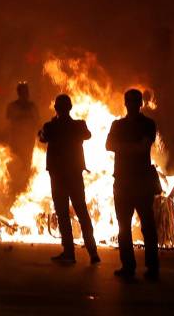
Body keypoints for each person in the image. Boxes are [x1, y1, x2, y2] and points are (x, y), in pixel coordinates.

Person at [38, 94, 100, 264]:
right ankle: (93, 252)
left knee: (63, 214)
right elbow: (87, 135)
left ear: (56, 108)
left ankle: (69, 252)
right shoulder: (78, 125)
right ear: (70, 108)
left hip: (58, 176)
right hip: (74, 174)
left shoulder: (51, 126)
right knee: (82, 212)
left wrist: (52, 124)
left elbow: (42, 137)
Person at [107, 88, 160, 279]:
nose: (131, 105)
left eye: (133, 101)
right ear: (125, 103)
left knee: (147, 225)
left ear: (140, 104)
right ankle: (128, 266)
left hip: (140, 181)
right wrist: (134, 147)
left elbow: (143, 147)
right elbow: (109, 146)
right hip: (123, 181)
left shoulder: (148, 124)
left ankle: (151, 267)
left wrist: (124, 147)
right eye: (128, 101)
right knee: (124, 227)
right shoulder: (118, 124)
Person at [6, 82, 39, 198]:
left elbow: (37, 122)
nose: (26, 94)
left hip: (28, 143)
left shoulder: (32, 107)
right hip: (16, 143)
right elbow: (9, 122)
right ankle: (13, 193)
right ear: (19, 93)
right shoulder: (13, 106)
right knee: (15, 169)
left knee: (26, 168)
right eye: (24, 92)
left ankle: (24, 193)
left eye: (27, 92)